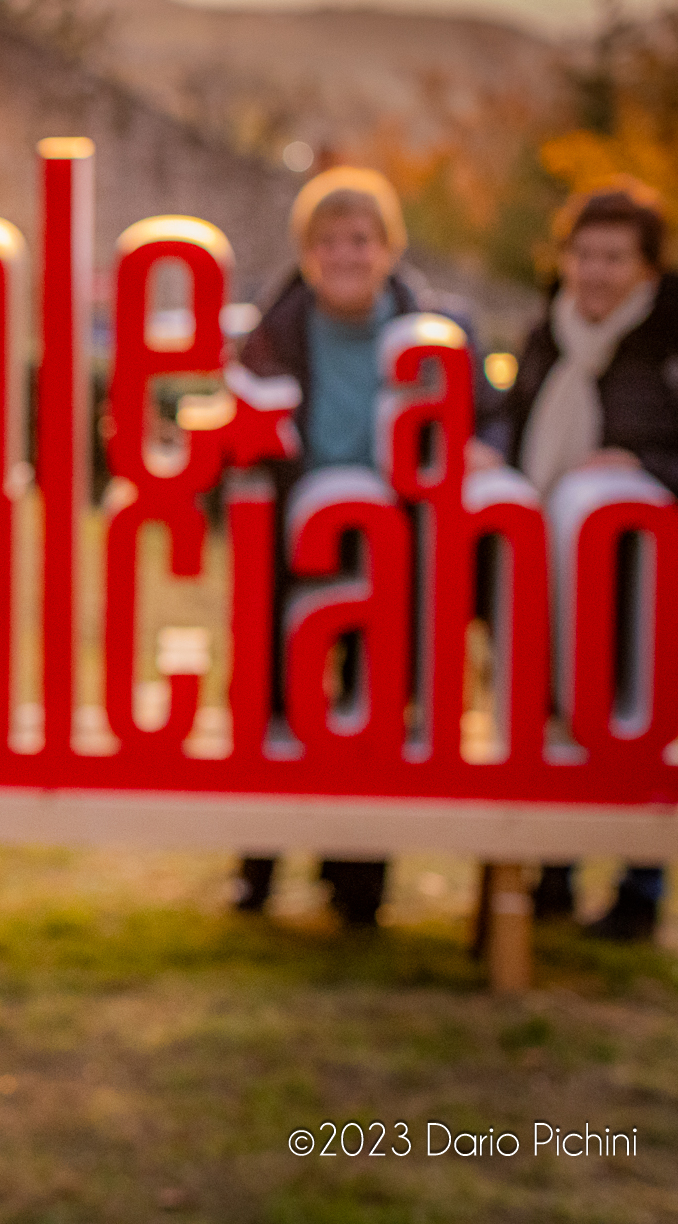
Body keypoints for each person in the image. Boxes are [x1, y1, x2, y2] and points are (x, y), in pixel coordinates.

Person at [232, 167, 507, 927]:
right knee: (279, 708)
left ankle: (357, 882)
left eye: (360, 240)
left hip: (395, 552)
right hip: (295, 549)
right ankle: (258, 866)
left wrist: (483, 446)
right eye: (327, 242)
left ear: (389, 249)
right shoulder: (271, 331)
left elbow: (488, 416)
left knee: (377, 713)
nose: (344, 255)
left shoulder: (438, 331)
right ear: (305, 252)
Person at [505, 179, 678, 941]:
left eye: (614, 257)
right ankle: (552, 871)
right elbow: (512, 427)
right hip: (551, 577)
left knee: (634, 735)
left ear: (648, 268)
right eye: (583, 254)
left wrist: (644, 467)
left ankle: (637, 888)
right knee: (552, 723)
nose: (594, 271)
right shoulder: (546, 335)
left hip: (647, 586)